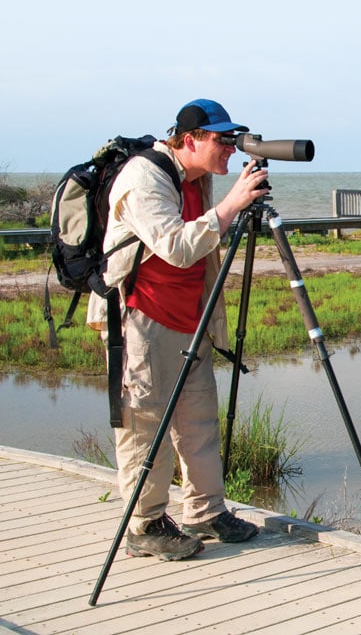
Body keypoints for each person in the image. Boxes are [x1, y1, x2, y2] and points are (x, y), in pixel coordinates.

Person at [87, 98, 270, 560]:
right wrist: (232, 205)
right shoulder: (144, 176)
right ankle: (145, 525)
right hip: (140, 320)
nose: (230, 149)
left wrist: (231, 207)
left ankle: (205, 511)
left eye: (233, 139)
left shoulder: (200, 178)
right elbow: (176, 247)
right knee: (143, 425)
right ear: (189, 140)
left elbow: (205, 238)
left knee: (198, 420)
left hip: (192, 319)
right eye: (221, 140)